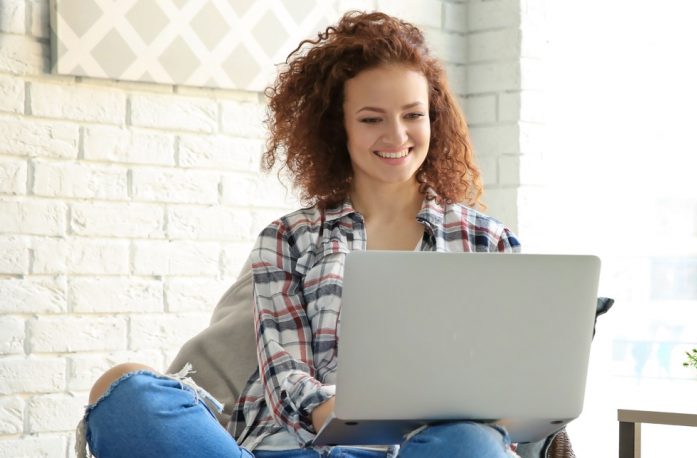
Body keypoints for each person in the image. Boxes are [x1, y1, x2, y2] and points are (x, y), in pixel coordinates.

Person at [79, 11, 521, 458]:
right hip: (290, 448)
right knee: (126, 392)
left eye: (413, 115)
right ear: (339, 127)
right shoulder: (288, 239)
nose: (397, 134)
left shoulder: (485, 240)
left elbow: (513, 379)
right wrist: (346, 413)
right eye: (371, 119)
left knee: (471, 441)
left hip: (421, 449)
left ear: (434, 119)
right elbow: (286, 377)